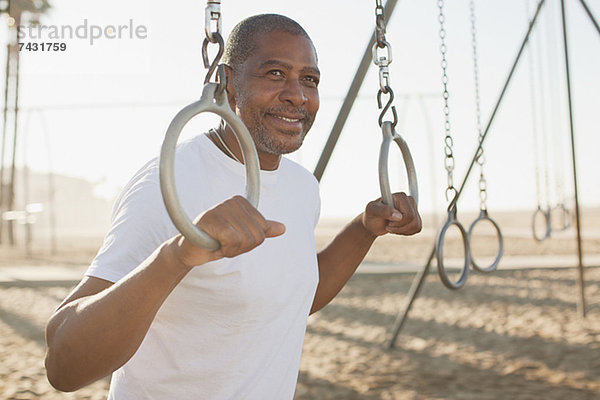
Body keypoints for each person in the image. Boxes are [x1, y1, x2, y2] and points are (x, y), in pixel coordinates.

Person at [44, 14, 421, 399]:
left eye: (309, 79)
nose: (298, 94)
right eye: (275, 74)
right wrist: (178, 255)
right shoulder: (168, 181)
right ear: (227, 83)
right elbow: (64, 364)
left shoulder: (302, 186)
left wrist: (364, 228)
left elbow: (290, 296)